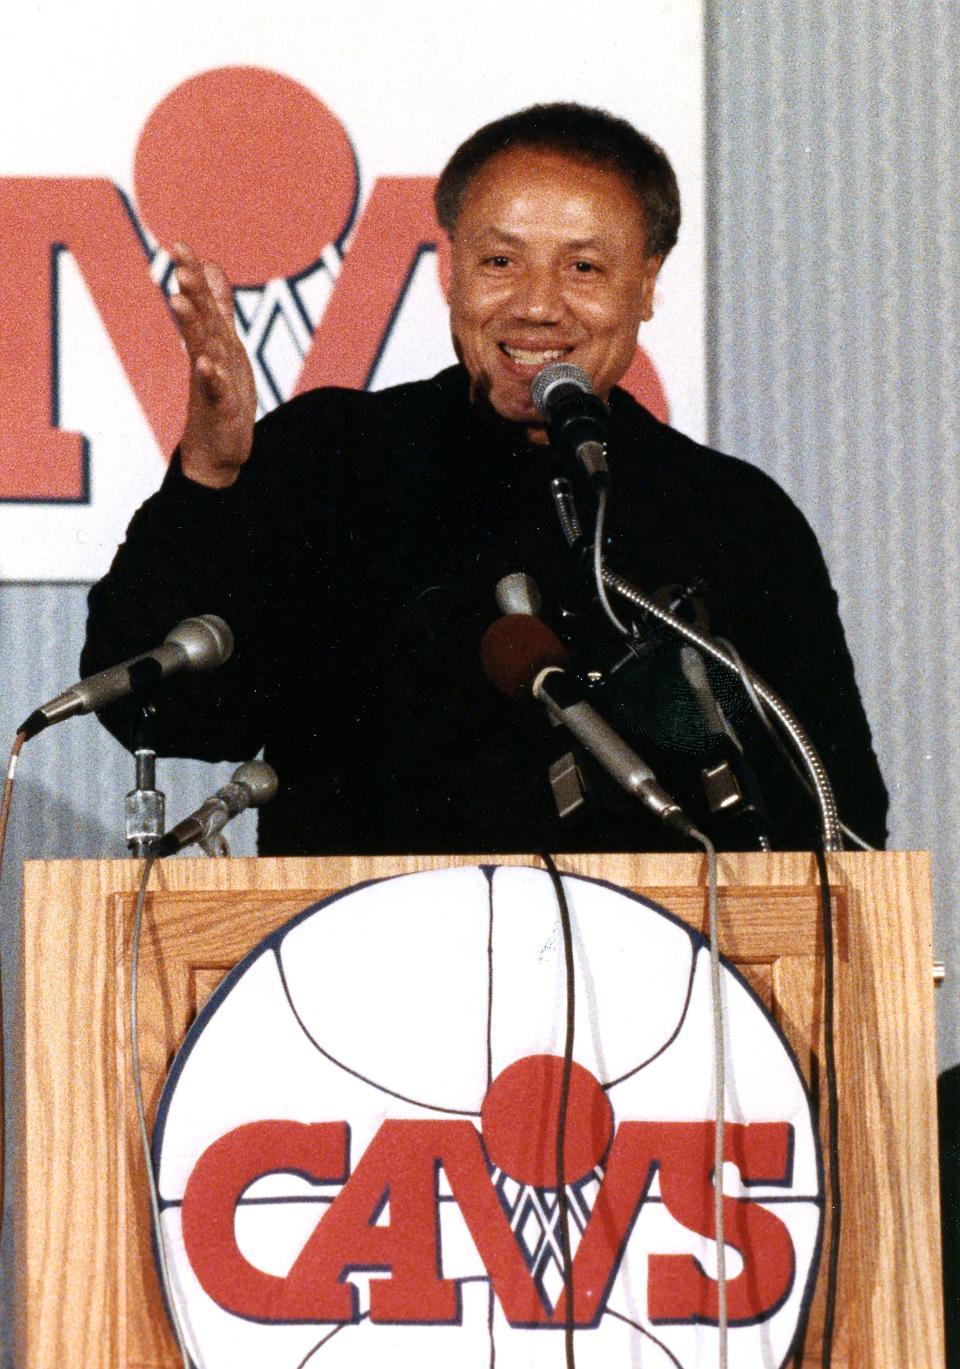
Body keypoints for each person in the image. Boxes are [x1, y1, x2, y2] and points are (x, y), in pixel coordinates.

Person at [81, 102, 888, 855]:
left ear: (646, 283)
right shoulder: (337, 460)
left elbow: (840, 819)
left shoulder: (732, 516)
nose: (537, 306)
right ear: (449, 270)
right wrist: (212, 475)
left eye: (584, 268)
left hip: (660, 987)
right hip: (358, 978)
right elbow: (160, 707)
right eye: (499, 260)